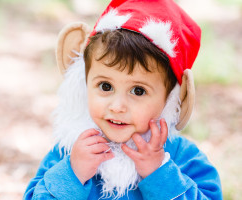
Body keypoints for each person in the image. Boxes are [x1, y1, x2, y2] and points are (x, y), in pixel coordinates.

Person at [23, 0, 222, 199]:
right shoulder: (69, 152)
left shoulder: (184, 158)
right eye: (106, 86)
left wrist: (160, 174)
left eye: (138, 91)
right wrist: (72, 174)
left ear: (169, 100)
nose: (117, 107)